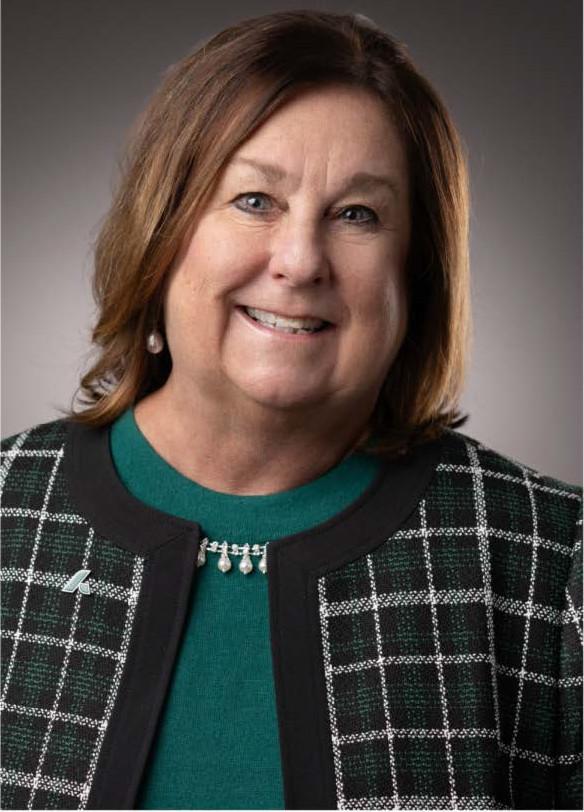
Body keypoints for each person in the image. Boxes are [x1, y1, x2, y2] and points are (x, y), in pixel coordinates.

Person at [0, 9, 581, 811]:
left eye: (358, 216)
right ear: (164, 231)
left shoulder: (553, 567)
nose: (301, 261)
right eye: (253, 200)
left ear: (414, 276)